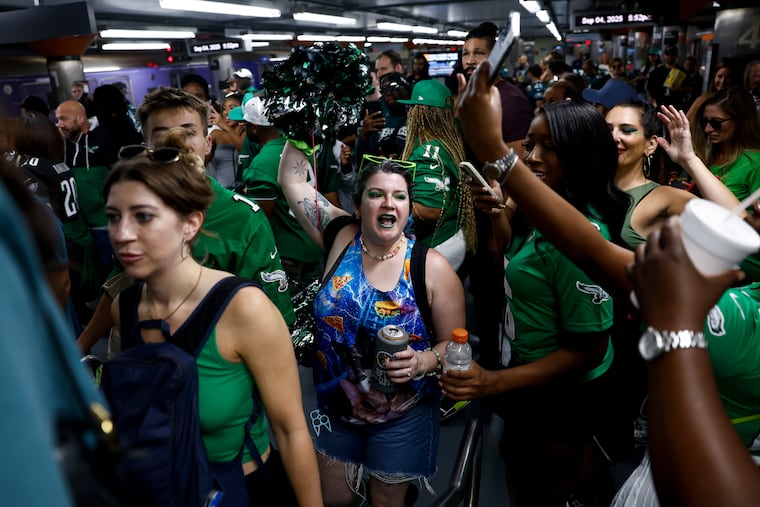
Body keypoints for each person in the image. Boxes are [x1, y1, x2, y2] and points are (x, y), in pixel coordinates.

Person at [456, 58, 760, 506]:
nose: (615, 137)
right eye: (609, 129)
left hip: (595, 377)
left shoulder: (736, 322)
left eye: (627, 130)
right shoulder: (563, 202)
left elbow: (588, 250)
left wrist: (495, 150)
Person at [105, 128, 321, 506]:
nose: (122, 234)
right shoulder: (123, 308)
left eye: (143, 216)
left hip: (235, 489)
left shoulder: (244, 309)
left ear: (190, 223)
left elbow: (290, 430)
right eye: (113, 217)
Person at [444, 100, 631, 507]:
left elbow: (587, 351)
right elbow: (512, 254)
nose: (532, 156)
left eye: (549, 146)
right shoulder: (540, 207)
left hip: (562, 395)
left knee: (535, 491)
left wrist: (492, 383)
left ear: (581, 153)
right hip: (528, 374)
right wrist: (496, 215)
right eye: (530, 144)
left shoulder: (580, 238)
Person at [278, 141, 466, 507]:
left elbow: (453, 344)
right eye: (376, 194)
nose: (387, 203)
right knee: (333, 499)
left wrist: (421, 362)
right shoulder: (340, 236)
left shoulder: (432, 267)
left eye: (398, 196)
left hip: (404, 415)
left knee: (385, 502)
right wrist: (303, 109)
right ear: (357, 204)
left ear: (409, 208)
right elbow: (291, 180)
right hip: (333, 408)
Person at [76, 87, 294, 353]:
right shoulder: (135, 214)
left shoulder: (241, 218)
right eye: (161, 135)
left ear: (207, 142)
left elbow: (273, 322)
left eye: (188, 132)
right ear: (146, 148)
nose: (174, 141)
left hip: (221, 363)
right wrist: (83, 344)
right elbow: (121, 282)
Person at [398, 79, 476, 271]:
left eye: (412, 108)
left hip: (437, 245)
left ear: (419, 112)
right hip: (451, 237)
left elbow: (430, 209)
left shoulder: (428, 151)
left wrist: (393, 202)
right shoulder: (447, 139)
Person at [690, 87, 760, 202]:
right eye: (704, 122)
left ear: (740, 121)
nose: (707, 129)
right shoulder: (706, 156)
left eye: (716, 123)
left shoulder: (755, 163)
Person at [206, 91, 245, 189]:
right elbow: (202, 162)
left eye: (232, 108)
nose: (226, 112)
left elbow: (244, 151)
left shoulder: (248, 134)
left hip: (244, 192)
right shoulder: (216, 135)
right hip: (221, 192)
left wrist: (225, 126)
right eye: (224, 108)